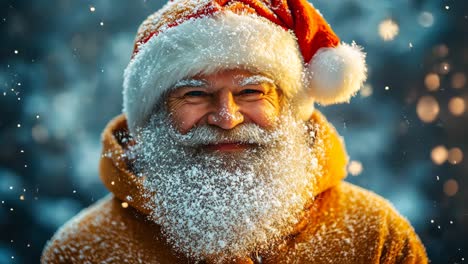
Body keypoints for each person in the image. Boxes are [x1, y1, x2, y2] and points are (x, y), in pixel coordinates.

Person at [41, 0, 428, 263]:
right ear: (154, 113)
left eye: (251, 91)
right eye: (194, 93)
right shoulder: (83, 251)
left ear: (289, 106)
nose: (226, 117)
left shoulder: (374, 237)